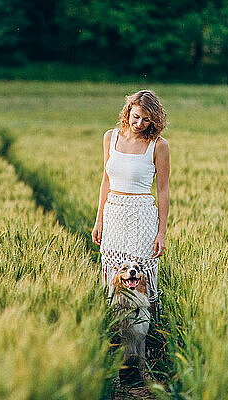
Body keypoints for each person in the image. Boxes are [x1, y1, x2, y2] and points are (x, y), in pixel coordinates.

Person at [92, 90, 170, 319]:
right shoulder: (110, 137)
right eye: (136, 116)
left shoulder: (158, 145)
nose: (140, 123)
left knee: (142, 274)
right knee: (114, 273)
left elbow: (163, 190)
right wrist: (99, 220)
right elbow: (106, 180)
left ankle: (150, 333)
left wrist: (161, 233)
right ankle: (115, 328)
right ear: (128, 112)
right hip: (114, 213)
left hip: (142, 217)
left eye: (147, 120)